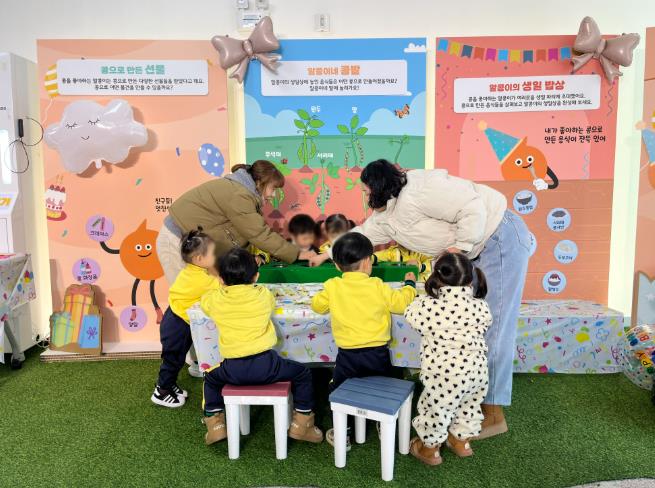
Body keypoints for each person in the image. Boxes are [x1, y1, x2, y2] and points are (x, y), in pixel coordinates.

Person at [320, 159, 530, 439]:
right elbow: (362, 235)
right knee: (469, 324)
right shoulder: (387, 215)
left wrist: (460, 248)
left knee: (494, 327)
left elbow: (472, 206)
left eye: (365, 189)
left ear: (379, 186)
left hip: (497, 237)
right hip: (471, 251)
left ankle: (493, 414)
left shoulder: (422, 188)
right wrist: (326, 253)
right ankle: (468, 402)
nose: (363, 194)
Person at [157, 160, 316, 376]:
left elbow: (240, 234)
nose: (273, 195)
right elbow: (258, 234)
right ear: (260, 182)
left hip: (194, 244)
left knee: (202, 305)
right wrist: (297, 254)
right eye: (272, 188)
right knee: (186, 308)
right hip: (178, 241)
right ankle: (193, 362)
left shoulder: (241, 192)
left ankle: (203, 359)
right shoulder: (240, 194)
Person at [200, 248, 324, 445]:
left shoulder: (215, 300)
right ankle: (302, 423)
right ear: (256, 276)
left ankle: (215, 424)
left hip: (232, 369)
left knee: (211, 379)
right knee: (303, 373)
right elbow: (270, 300)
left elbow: (205, 302)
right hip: (267, 366)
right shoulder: (263, 295)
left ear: (221, 280)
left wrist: (220, 289)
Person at [311, 232, 417, 448]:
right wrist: (409, 285)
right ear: (368, 261)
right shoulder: (377, 285)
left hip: (347, 356)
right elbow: (401, 304)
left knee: (337, 389)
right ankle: (382, 422)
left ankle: (344, 431)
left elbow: (317, 306)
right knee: (386, 384)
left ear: (337, 266)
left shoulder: (333, 285)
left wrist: (328, 294)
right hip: (377, 354)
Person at [404, 252, 493, 466]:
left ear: (437, 277)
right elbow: (485, 322)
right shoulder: (481, 305)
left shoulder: (427, 306)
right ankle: (461, 443)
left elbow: (409, 314)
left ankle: (430, 450)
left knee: (436, 409)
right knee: (469, 405)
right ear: (470, 280)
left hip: (445, 373)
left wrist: (417, 291)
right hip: (477, 371)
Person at [151, 227, 220, 408]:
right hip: (177, 324)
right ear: (199, 259)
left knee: (177, 357)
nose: (215, 256)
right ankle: (162, 390)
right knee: (173, 359)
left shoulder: (193, 271)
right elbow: (221, 287)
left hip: (176, 318)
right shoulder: (202, 280)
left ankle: (169, 384)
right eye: (212, 253)